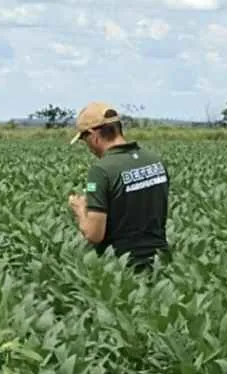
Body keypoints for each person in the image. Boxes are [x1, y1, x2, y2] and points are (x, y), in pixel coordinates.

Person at [67, 101, 170, 270]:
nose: (88, 147)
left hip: (123, 269)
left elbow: (94, 235)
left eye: (85, 140)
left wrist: (80, 210)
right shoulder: (155, 161)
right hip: (160, 263)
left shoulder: (101, 171)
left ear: (94, 135)